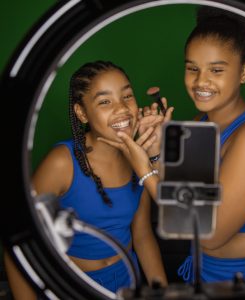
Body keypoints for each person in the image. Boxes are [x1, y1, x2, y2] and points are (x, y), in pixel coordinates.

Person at [99, 7, 245, 283]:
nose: (201, 81)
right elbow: (186, 206)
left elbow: (209, 234)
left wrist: (143, 171)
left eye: (216, 70)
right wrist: (155, 152)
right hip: (202, 270)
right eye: (192, 69)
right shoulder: (200, 122)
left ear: (244, 72)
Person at [5, 60, 169, 298]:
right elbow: (19, 241)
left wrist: (163, 293)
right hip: (74, 286)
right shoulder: (62, 162)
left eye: (127, 96)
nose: (121, 108)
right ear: (82, 113)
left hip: (127, 283)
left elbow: (142, 235)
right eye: (104, 101)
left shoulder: (139, 160)